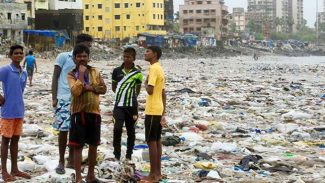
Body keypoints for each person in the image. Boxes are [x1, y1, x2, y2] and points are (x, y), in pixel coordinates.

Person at [51, 34, 93, 175]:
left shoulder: (85, 61)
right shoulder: (63, 56)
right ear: (79, 43)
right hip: (63, 98)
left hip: (79, 100)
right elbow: (55, 76)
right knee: (63, 131)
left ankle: (71, 159)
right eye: (88, 45)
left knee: (76, 131)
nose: (89, 48)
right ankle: (61, 161)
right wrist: (54, 97)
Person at [67, 44, 107, 183]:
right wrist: (82, 74)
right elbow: (76, 91)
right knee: (78, 146)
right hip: (79, 113)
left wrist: (91, 87)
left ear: (89, 57)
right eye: (79, 56)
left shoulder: (95, 72)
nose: (82, 59)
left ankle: (90, 175)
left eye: (85, 56)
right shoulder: (72, 74)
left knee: (93, 145)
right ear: (74, 58)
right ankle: (78, 177)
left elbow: (103, 88)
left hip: (94, 113)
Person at [0, 45, 31, 182]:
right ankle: (4, 171)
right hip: (8, 111)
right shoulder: (6, 70)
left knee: (16, 141)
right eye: (16, 53)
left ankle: (15, 168)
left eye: (20, 53)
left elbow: (21, 91)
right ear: (11, 55)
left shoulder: (23, 72)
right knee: (5, 141)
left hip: (19, 111)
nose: (19, 55)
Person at [112, 47, 143, 161]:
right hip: (118, 106)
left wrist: (130, 97)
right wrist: (122, 96)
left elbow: (138, 90)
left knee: (131, 131)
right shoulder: (116, 71)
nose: (126, 59)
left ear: (134, 58)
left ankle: (129, 155)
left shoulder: (137, 73)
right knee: (117, 129)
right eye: (125, 56)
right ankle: (116, 155)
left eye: (129, 57)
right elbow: (114, 88)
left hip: (132, 107)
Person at [141, 46, 167, 182]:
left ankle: (153, 174)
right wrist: (164, 112)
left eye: (147, 51)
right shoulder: (160, 68)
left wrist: (145, 83)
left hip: (152, 110)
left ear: (155, 54)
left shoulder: (153, 69)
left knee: (151, 141)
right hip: (158, 109)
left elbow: (150, 90)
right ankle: (158, 173)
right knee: (157, 141)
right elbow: (163, 93)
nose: (145, 53)